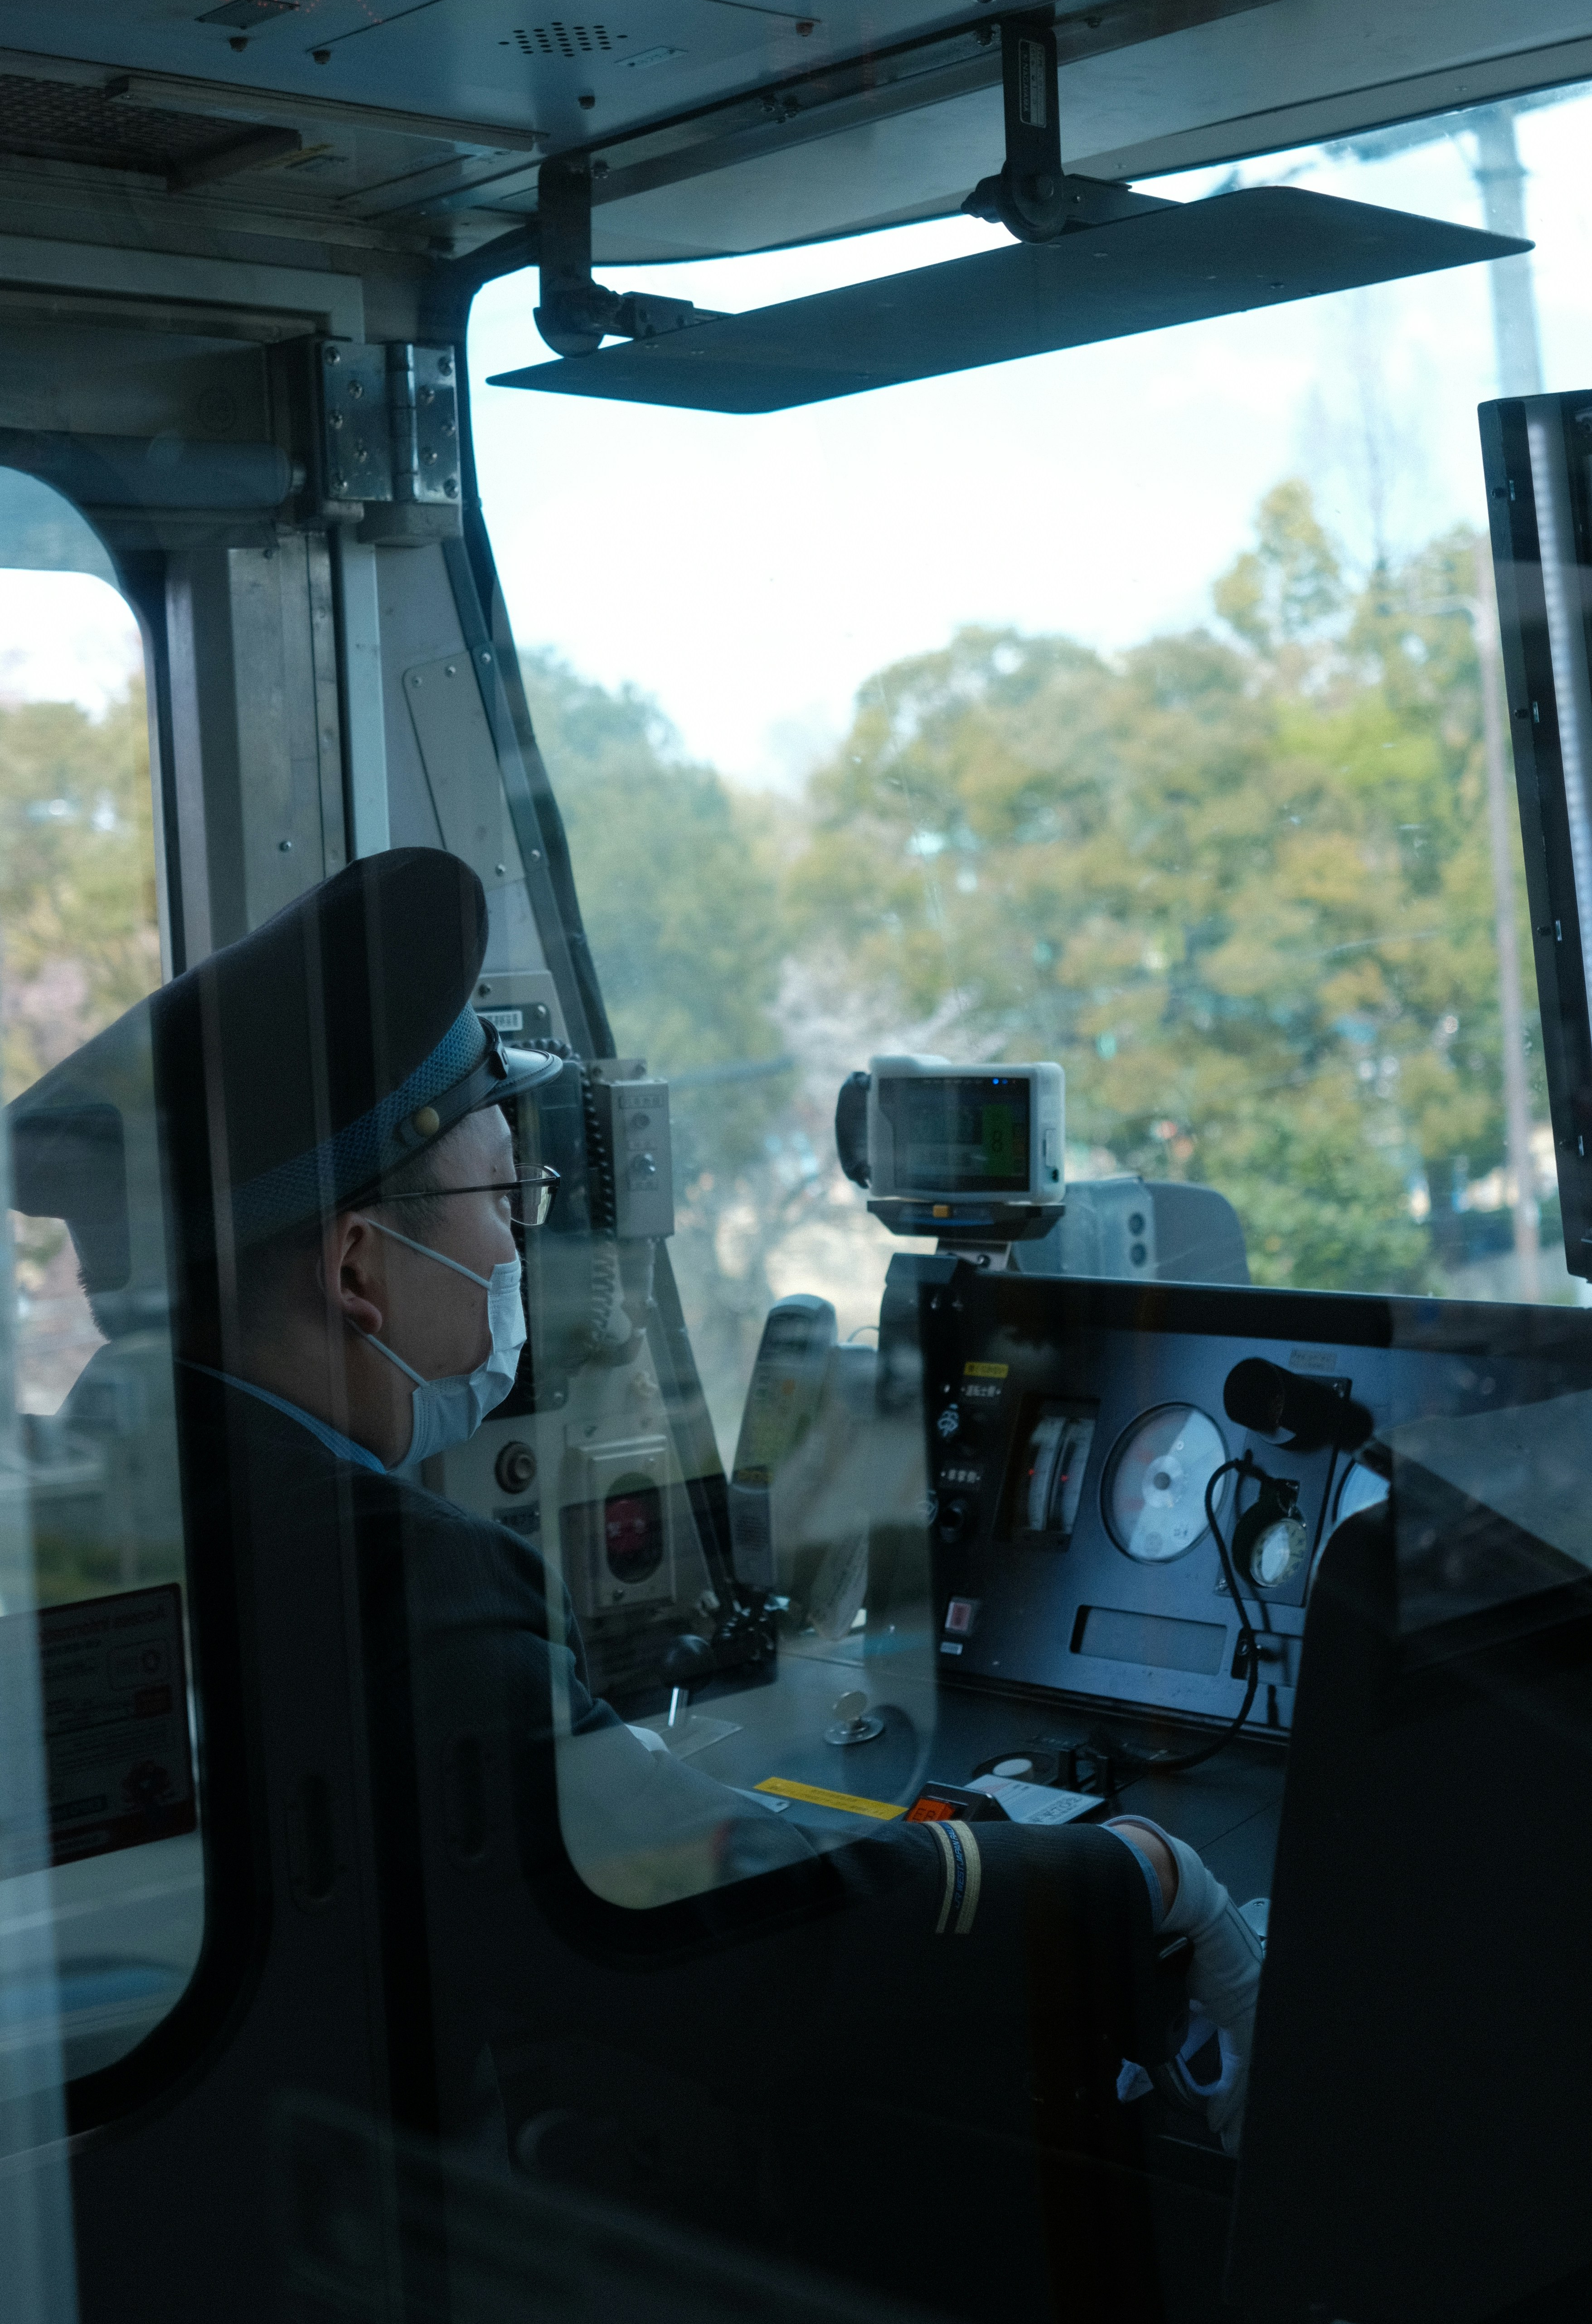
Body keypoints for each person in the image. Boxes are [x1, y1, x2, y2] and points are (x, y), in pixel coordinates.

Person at [8, 847, 1262, 2148]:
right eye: (506, 1197)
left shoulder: (78, 1500)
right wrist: (1131, 1876)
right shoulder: (383, 1579)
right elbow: (741, 1950)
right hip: (356, 2266)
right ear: (356, 1270)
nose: (516, 1243)